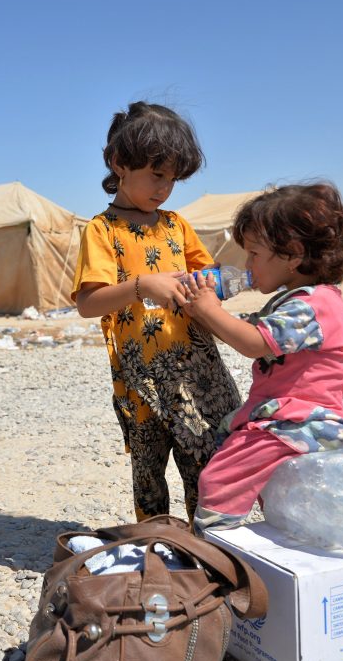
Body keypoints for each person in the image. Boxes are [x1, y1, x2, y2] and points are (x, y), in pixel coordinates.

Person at [184, 182, 343, 533]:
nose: (247, 264)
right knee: (277, 492)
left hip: (299, 420)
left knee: (221, 478)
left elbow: (252, 343)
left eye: (253, 254)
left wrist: (207, 309)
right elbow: (251, 333)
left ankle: (211, 555)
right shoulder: (300, 300)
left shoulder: (313, 305)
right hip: (284, 417)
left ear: (293, 254)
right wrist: (205, 311)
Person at [73, 101, 242, 524]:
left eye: (172, 178)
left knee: (207, 466)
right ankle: (158, 555)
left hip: (196, 369)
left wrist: (214, 286)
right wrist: (141, 285)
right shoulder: (102, 230)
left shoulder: (176, 225)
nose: (164, 188)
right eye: (155, 174)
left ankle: (209, 553)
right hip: (142, 377)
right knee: (149, 474)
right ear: (119, 163)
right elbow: (88, 303)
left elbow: (209, 278)